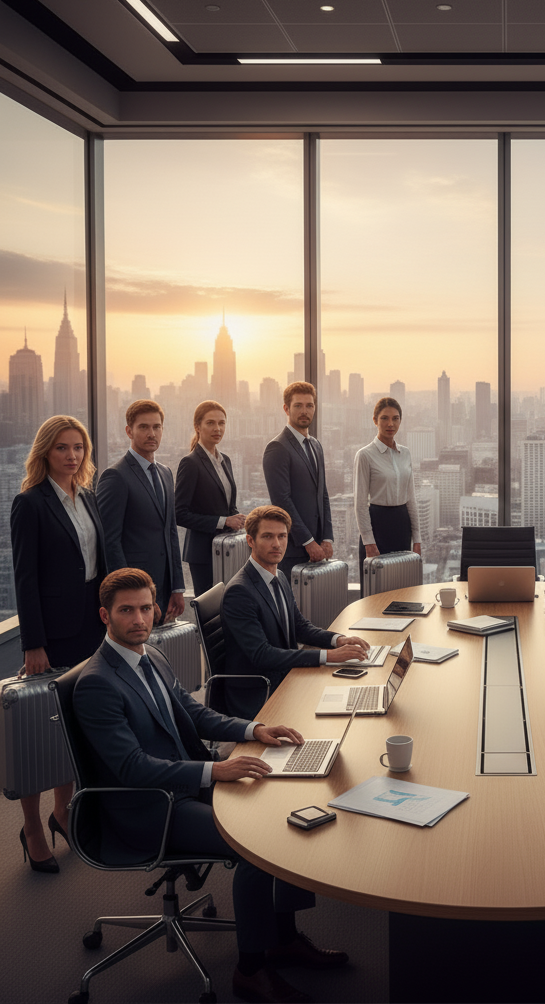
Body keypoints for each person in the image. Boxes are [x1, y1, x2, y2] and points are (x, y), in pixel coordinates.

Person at [74, 568, 348, 1004]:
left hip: (186, 782)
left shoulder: (151, 655)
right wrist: (214, 772)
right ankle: (251, 970)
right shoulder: (97, 684)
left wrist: (254, 728)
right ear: (105, 616)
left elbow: (194, 713)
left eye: (146, 608)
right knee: (260, 848)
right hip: (151, 808)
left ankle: (284, 937)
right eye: (127, 611)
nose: (140, 618)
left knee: (286, 803)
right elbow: (132, 768)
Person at [10, 415, 107, 873]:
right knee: (39, 730)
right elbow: (25, 579)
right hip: (51, 635)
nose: (72, 456)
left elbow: (98, 564)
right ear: (45, 452)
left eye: (78, 448)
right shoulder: (30, 504)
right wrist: (34, 643)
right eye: (63, 448)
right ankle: (31, 826)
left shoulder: (86, 497)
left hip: (90, 627)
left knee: (72, 726)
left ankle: (63, 811)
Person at [221, 506, 370, 720]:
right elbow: (262, 655)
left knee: (354, 695)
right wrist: (328, 656)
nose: (276, 544)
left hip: (286, 676)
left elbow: (299, 626)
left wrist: (339, 640)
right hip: (260, 693)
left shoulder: (279, 576)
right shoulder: (240, 592)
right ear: (250, 541)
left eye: (282, 536)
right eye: (268, 536)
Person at [96, 399, 185, 623]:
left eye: (156, 427)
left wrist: (177, 587)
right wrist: (131, 594)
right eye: (143, 427)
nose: (151, 433)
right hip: (134, 595)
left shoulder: (165, 473)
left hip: (164, 588)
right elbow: (110, 542)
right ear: (129, 431)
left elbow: (170, 533)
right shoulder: (116, 476)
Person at [174, 400, 246, 597]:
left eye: (222, 423)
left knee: (230, 606)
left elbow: (226, 504)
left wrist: (236, 518)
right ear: (197, 426)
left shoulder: (226, 461)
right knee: (210, 611)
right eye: (211, 423)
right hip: (203, 554)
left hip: (227, 550)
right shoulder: (190, 463)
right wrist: (224, 521)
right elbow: (179, 514)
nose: (217, 428)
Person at [262, 382, 333, 580]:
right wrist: (308, 542)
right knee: (291, 607)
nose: (305, 411)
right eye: (298, 405)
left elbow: (323, 494)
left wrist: (327, 538)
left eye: (309, 406)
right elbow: (282, 501)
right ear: (286, 408)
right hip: (293, 548)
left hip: (319, 548)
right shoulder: (277, 447)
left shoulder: (316, 445)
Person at [354, 397, 421, 591]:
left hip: (402, 525)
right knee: (374, 590)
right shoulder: (365, 455)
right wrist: (369, 542)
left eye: (395, 418)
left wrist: (417, 539)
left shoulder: (406, 454)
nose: (390, 424)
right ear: (375, 420)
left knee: (402, 588)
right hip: (377, 524)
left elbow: (411, 500)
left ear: (400, 421)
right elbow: (359, 503)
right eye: (384, 418)